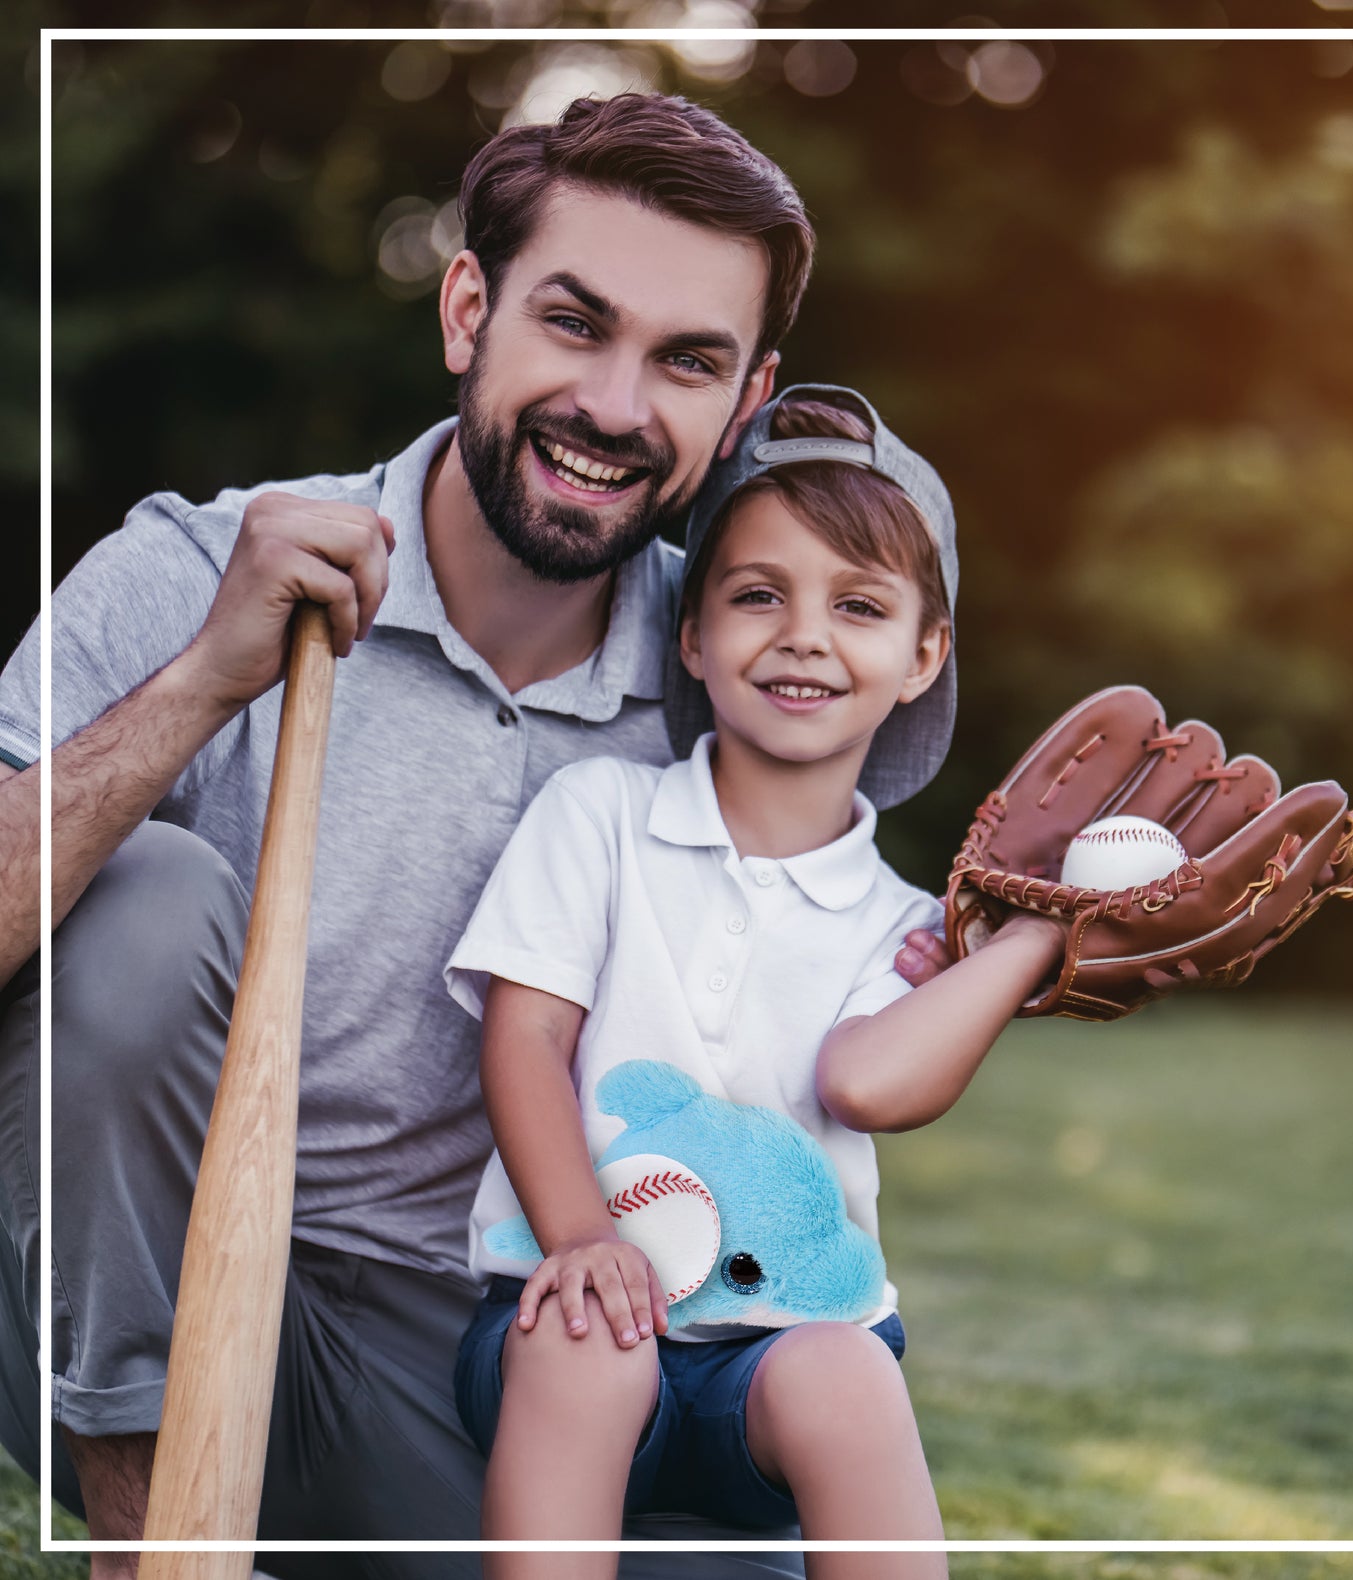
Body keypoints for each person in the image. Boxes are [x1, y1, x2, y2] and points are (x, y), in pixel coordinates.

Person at [0, 93, 947, 1577]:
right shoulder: (197, 566)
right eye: (574, 323)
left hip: (476, 1344)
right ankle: (163, 1555)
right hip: (120, 1291)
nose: (618, 407)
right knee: (146, 903)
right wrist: (200, 683)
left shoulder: (739, 667)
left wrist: (1053, 939)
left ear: (747, 397)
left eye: (686, 361)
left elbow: (860, 926)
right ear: (466, 308)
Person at [443, 387, 1064, 1579]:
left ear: (922, 653)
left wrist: (1026, 941)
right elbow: (521, 1041)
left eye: (861, 605)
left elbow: (869, 1082)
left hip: (769, 1363)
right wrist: (581, 1238)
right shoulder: (601, 816)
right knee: (588, 1338)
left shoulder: (903, 927)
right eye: (757, 594)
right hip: (559, 1311)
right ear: (691, 631)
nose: (804, 634)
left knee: (845, 1371)